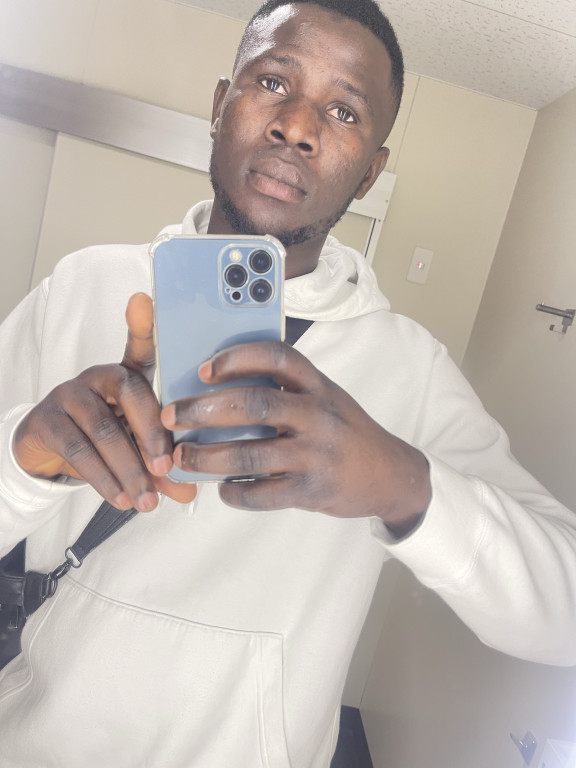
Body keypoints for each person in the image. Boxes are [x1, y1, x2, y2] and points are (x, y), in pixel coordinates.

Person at [0, 0, 575, 766]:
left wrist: (403, 484)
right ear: (220, 106)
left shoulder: (410, 367)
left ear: (370, 173)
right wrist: (21, 461)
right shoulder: (83, 285)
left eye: (343, 111)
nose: (297, 126)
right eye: (274, 81)